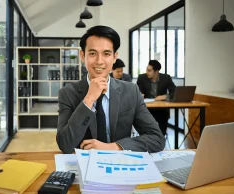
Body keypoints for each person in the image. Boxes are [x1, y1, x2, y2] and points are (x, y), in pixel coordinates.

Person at [56, 25, 165, 154]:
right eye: (92, 53)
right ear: (82, 55)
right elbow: (65, 144)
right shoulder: (68, 93)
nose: (99, 61)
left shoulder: (131, 91)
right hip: (85, 165)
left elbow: (157, 139)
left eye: (106, 54)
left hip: (121, 164)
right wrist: (89, 99)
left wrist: (114, 147)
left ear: (114, 57)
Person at [137, 60, 176, 136]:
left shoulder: (166, 78)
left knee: (161, 130)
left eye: (149, 70)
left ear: (156, 71)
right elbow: (138, 91)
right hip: (147, 109)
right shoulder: (142, 78)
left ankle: (160, 140)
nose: (147, 72)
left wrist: (165, 96)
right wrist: (140, 94)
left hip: (161, 109)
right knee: (146, 130)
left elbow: (174, 91)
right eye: (147, 70)